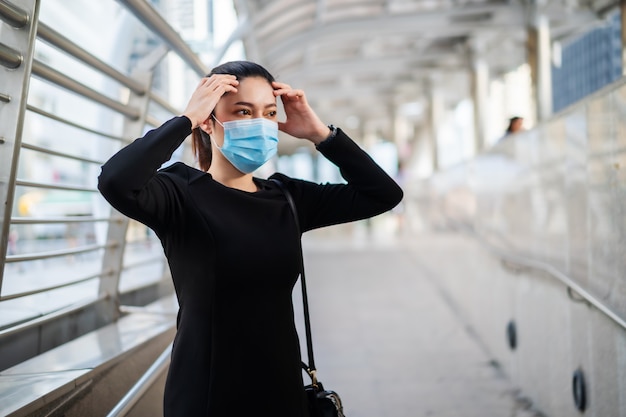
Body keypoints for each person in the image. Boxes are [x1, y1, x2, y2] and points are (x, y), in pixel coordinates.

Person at [98, 60, 403, 416]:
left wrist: (322, 135)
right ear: (210, 121)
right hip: (207, 395)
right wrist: (184, 121)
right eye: (243, 111)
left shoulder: (287, 197)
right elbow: (115, 180)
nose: (259, 123)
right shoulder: (180, 194)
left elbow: (383, 194)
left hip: (282, 391)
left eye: (269, 113)